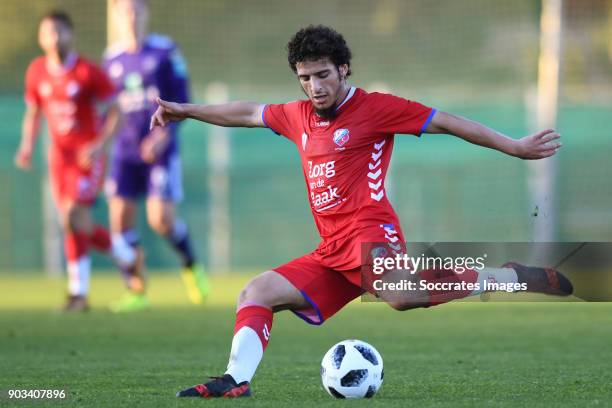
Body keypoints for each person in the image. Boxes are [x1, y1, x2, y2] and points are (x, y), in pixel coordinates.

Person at [150, 25, 572, 397]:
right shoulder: (297, 116)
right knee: (255, 292)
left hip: (371, 230)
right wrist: (186, 111)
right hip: (332, 250)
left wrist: (514, 146)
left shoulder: (376, 108)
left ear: (344, 69)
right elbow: (245, 112)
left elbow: (446, 121)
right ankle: (235, 379)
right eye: (305, 78)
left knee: (402, 296)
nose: (315, 87)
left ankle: (510, 277)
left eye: (323, 75)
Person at [14, 10, 128, 312]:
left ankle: (109, 267)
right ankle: (95, 278)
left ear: (69, 34)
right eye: (46, 32)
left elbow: (117, 110)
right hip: (59, 159)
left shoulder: (87, 71)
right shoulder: (36, 71)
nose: (52, 38)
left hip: (87, 158)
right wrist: (26, 146)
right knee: (71, 222)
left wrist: (99, 145)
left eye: (58, 31)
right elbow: (33, 112)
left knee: (74, 214)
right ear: (40, 38)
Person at [103, 0, 208, 312]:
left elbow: (183, 101)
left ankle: (191, 266)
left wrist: (162, 137)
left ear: (146, 13)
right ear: (116, 16)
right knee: (119, 222)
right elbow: (110, 109)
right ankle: (136, 289)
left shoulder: (164, 52)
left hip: (160, 151)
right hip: (124, 152)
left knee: (160, 220)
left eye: (137, 10)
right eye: (125, 11)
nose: (131, 16)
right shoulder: (111, 59)